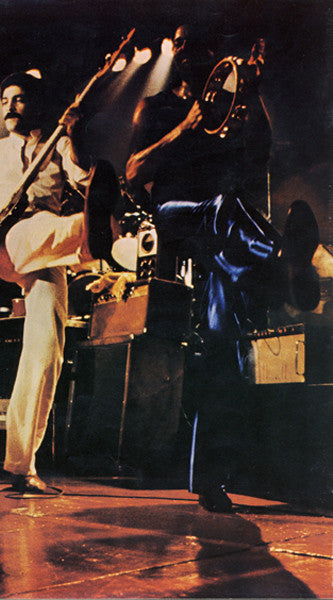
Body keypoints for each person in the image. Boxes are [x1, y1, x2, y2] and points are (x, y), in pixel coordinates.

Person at [125, 24, 320, 511]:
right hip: (176, 217)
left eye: (197, 44)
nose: (186, 50)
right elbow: (132, 173)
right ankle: (281, 263)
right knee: (225, 206)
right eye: (180, 43)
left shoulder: (228, 107)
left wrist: (253, 90)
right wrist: (185, 128)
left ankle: (209, 479)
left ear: (214, 52)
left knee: (222, 343)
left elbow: (263, 152)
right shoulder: (156, 107)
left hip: (222, 238)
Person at [0, 71, 105, 493]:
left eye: (19, 99)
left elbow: (85, 179)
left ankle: (22, 465)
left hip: (47, 250)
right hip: (9, 242)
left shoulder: (58, 144)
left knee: (46, 351)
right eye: (5, 100)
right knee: (43, 226)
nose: (10, 107)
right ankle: (90, 234)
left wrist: (74, 136)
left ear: (35, 103)